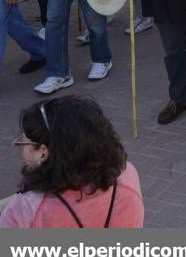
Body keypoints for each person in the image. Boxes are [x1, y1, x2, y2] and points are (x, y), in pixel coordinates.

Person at [0, 96, 143, 228]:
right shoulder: (127, 174)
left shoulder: (25, 211)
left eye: (23, 142)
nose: (21, 148)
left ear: (43, 152)